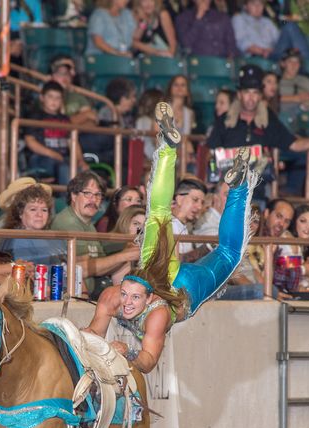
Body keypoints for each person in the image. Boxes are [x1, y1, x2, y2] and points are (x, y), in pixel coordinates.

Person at [85, 101, 259, 373]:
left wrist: (128, 351)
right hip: (162, 276)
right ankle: (168, 147)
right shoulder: (111, 297)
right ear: (119, 291)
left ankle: (234, 184)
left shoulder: (158, 313)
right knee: (159, 214)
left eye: (134, 299)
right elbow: (94, 334)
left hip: (185, 290)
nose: (127, 304)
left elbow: (147, 361)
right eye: (125, 296)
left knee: (225, 251)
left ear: (149, 298)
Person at [208, 63, 309, 196]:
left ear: (260, 95)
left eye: (255, 92)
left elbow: (294, 144)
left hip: (257, 192)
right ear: (239, 94)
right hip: (227, 191)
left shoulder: (268, 120)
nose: (251, 98)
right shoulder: (225, 120)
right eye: (247, 92)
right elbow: (211, 152)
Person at [51, 170, 139, 298]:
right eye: (87, 193)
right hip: (75, 295)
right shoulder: (67, 222)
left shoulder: (88, 223)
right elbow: (80, 268)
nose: (93, 200)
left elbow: (98, 259)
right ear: (74, 196)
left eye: (98, 195)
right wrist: (124, 256)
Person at [24, 81, 88, 185]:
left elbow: (72, 141)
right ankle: (64, 199)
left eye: (58, 98)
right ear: (42, 98)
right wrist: (52, 153)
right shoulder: (35, 117)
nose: (54, 101)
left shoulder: (65, 119)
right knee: (63, 168)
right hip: (42, 157)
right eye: (50, 97)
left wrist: (80, 160)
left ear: (62, 100)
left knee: (81, 170)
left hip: (62, 158)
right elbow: (30, 141)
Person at [231, 0, 309, 62]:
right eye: (253, 4)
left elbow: (278, 39)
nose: (257, 7)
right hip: (256, 56)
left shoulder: (267, 22)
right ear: (246, 6)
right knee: (289, 26)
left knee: (290, 25)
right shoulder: (239, 19)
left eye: (260, 4)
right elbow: (242, 42)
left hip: (273, 53)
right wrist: (262, 51)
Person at [273, 204, 309, 295]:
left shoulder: (306, 246)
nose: (308, 227)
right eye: (303, 221)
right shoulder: (288, 241)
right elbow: (287, 284)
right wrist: (304, 270)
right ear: (294, 222)